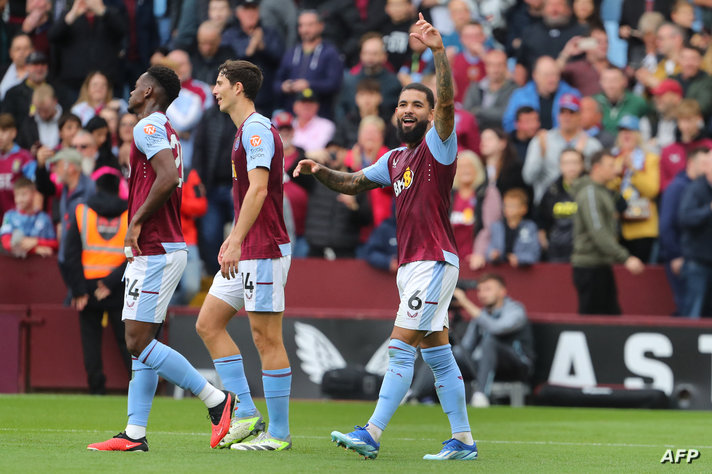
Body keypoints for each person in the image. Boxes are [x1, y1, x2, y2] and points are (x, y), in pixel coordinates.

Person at [293, 13, 477, 461]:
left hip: (433, 260)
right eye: (403, 105)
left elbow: (449, 104)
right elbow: (355, 183)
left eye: (418, 105)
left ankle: (372, 432)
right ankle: (463, 441)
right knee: (437, 356)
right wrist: (320, 172)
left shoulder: (439, 145)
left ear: (431, 115)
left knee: (398, 349)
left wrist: (437, 51)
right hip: (412, 264)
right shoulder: (395, 158)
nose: (408, 110)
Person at [87, 65, 235, 452]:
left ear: (149, 91)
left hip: (155, 247)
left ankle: (217, 400)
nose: (131, 92)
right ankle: (135, 433)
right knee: (143, 342)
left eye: (136, 86)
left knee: (136, 340)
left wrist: (135, 221)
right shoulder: (164, 129)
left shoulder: (147, 126)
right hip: (160, 248)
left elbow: (167, 178)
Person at [195, 59, 293, 451]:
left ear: (238, 88)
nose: (214, 90)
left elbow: (258, 190)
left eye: (219, 83)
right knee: (208, 323)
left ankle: (280, 434)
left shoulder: (255, 130)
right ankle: (247, 412)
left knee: (265, 337)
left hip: (263, 247)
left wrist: (235, 238)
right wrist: (236, 239)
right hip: (248, 247)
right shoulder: (243, 132)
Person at [60, 172, 131, 394]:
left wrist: (78, 290)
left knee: (91, 340)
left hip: (88, 287)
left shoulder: (81, 212)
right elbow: (135, 254)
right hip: (119, 286)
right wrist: (110, 282)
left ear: (96, 188)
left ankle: (96, 388)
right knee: (127, 341)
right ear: (118, 188)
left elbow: (70, 255)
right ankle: (140, 387)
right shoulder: (131, 213)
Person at [571, 150, 645, 315]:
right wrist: (625, 257)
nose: (615, 170)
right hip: (589, 266)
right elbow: (598, 231)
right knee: (592, 320)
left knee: (610, 316)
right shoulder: (590, 193)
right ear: (597, 168)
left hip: (601, 264)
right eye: (611, 165)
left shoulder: (602, 191)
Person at [451, 274, 535, 408]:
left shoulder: (516, 309)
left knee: (490, 341)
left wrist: (466, 303)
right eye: (480, 290)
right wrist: (449, 355)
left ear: (502, 292)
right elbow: (466, 347)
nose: (482, 294)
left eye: (488, 289)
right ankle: (414, 394)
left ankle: (481, 394)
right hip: (484, 364)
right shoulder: (481, 314)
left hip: (516, 366)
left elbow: (497, 328)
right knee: (443, 353)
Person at [523, 93, 602, 204]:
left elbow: (598, 180)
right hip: (547, 205)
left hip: (581, 205)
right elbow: (528, 177)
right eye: (562, 112)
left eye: (571, 112)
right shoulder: (541, 140)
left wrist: (579, 158)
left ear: (580, 116)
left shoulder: (591, 144)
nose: (567, 117)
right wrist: (541, 153)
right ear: (557, 115)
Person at [659, 147, 706, 316]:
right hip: (681, 257)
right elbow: (666, 224)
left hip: (695, 255)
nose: (708, 166)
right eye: (704, 163)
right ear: (691, 163)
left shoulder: (701, 187)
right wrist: (674, 255)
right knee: (688, 305)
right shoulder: (677, 187)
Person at [609, 115, 661, 262]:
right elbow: (608, 190)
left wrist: (633, 170)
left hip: (643, 226)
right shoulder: (613, 158)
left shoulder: (650, 158)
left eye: (630, 131)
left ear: (638, 134)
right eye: (622, 131)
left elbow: (652, 190)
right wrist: (618, 173)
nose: (626, 135)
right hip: (618, 227)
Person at [450, 150, 502, 270]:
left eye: (470, 166)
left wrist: (480, 253)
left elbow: (490, 227)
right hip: (451, 260)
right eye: (461, 166)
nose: (466, 170)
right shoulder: (449, 194)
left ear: (478, 169)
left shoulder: (488, 193)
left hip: (477, 260)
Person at [678, 150, 712, 317]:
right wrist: (708, 210)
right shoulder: (695, 189)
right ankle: (687, 344)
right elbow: (684, 218)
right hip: (697, 262)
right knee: (693, 311)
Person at [537, 148, 585, 262]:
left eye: (575, 162)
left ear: (582, 165)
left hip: (584, 251)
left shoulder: (590, 189)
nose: (571, 167)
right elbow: (541, 217)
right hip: (557, 251)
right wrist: (543, 239)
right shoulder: (552, 190)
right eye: (566, 163)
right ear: (560, 166)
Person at [0, 177, 56, 257]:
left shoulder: (44, 218)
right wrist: (35, 249)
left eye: (24, 194)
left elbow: (55, 243)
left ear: (34, 194)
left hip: (40, 267)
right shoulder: (9, 216)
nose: (20, 199)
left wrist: (36, 241)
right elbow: (6, 243)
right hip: (16, 267)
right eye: (17, 195)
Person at [463, 49, 518, 131]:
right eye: (492, 65)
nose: (496, 69)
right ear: (486, 66)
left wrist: (478, 111)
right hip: (475, 135)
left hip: (501, 136)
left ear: (506, 66)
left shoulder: (514, 89)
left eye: (499, 65)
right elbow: (466, 114)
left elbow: (505, 114)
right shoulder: (475, 88)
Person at [487, 188, 541, 267]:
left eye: (512, 206)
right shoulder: (496, 226)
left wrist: (520, 258)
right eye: (506, 205)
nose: (508, 209)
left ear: (524, 209)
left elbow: (535, 253)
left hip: (522, 273)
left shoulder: (530, 227)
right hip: (500, 270)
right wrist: (492, 254)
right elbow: (489, 248)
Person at [0, 114, 35, 221]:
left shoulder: (25, 158)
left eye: (4, 131)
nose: (0, 136)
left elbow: (35, 189)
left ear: (13, 133)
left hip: (19, 220)